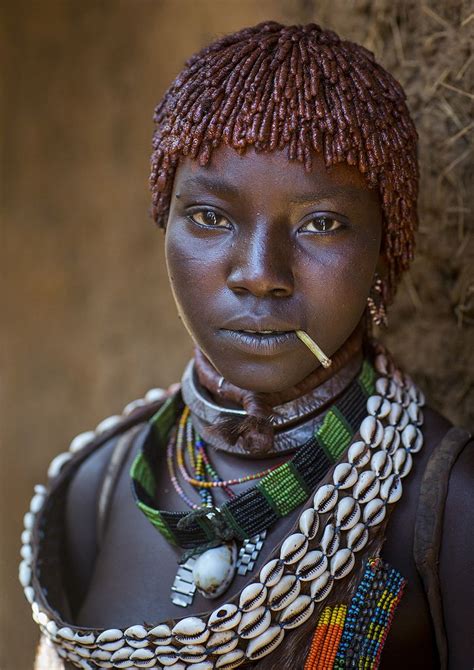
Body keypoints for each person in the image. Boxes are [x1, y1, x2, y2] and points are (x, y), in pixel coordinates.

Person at [21, 21, 472, 670]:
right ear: (165, 222)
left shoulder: (442, 511)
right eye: (211, 216)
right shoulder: (99, 487)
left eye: (322, 222)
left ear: (386, 251)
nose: (261, 272)